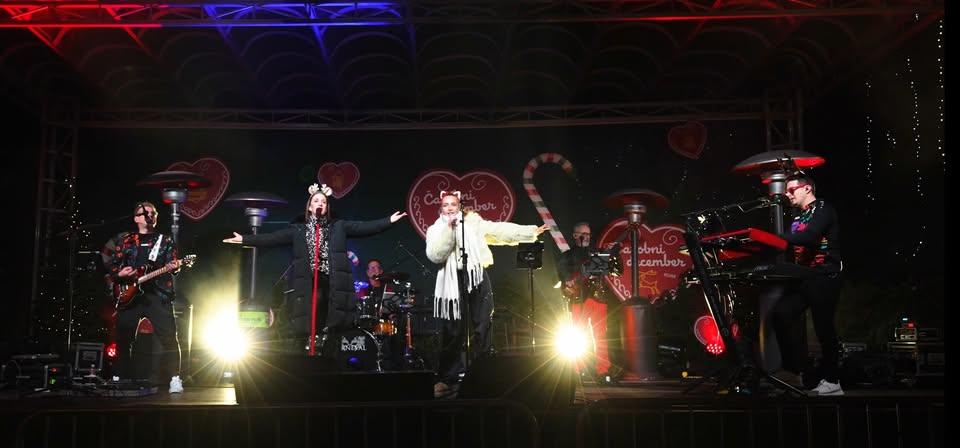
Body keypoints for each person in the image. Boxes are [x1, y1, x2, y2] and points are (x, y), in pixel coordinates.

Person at [223, 183, 407, 356]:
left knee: (332, 316)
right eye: (316, 201)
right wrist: (245, 239)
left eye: (324, 202)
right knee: (313, 306)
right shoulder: (298, 230)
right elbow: (272, 238)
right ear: (310, 207)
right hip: (309, 282)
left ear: (327, 207)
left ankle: (327, 347)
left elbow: (364, 227)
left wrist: (389, 221)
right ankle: (311, 346)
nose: (320, 204)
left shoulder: (338, 227)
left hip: (332, 282)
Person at [425, 190, 549, 398]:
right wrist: (449, 230)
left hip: (477, 275)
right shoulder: (435, 229)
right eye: (445, 204)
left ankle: (481, 373)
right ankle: (448, 378)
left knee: (483, 324)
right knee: (454, 329)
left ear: (459, 206)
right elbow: (435, 254)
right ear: (441, 208)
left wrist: (530, 232)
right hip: (452, 278)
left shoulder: (473, 223)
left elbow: (499, 230)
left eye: (453, 204)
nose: (449, 208)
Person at [771, 173, 844, 396]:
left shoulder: (823, 209)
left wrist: (777, 237)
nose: (787, 194)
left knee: (823, 328)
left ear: (807, 189)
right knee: (780, 314)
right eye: (786, 190)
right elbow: (789, 244)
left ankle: (833, 381)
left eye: (791, 189)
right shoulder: (798, 217)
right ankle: (796, 371)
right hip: (804, 278)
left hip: (825, 276)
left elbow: (810, 237)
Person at [101, 201, 184, 393]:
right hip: (129, 295)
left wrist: (175, 267)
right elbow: (109, 260)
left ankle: (175, 379)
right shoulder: (125, 240)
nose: (149, 215)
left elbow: (173, 263)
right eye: (144, 213)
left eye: (152, 213)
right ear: (136, 218)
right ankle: (119, 377)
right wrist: (119, 273)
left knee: (169, 338)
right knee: (123, 337)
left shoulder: (165, 240)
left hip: (158, 295)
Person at [556, 222, 613, 382]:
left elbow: (608, 271)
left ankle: (603, 371)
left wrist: (612, 255)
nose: (586, 237)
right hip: (578, 298)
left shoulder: (597, 253)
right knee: (578, 335)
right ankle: (577, 370)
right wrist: (568, 280)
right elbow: (562, 271)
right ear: (575, 235)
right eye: (583, 234)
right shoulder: (568, 255)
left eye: (588, 234)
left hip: (597, 297)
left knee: (601, 336)